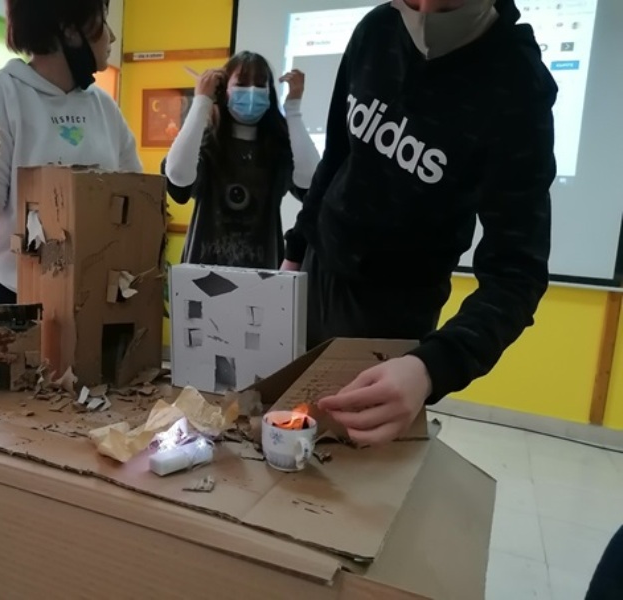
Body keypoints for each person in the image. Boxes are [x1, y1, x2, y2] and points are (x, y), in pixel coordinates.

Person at [281, 0, 557, 446]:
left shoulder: (517, 84)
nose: (425, 11)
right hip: (318, 267)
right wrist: (294, 254)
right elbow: (336, 156)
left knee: (350, 457)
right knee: (280, 426)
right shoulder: (376, 29)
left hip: (394, 311)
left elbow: (517, 275)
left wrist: (431, 367)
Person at [0, 0, 141, 305]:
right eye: (103, 21)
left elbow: (137, 198)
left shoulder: (104, 106)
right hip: (19, 301)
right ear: (70, 31)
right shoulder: (0, 94)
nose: (112, 36)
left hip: (95, 298)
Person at [162, 51, 320, 269]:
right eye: (242, 83)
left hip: (263, 277)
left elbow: (311, 181)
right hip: (201, 277)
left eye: (260, 84)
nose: (252, 91)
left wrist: (293, 110)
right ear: (224, 90)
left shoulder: (279, 148)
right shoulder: (206, 143)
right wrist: (202, 101)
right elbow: (178, 176)